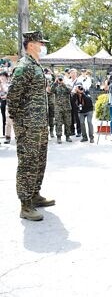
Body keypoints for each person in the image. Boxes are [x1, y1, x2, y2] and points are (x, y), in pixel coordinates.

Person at [7, 31, 55, 221]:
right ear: (31, 44)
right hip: (28, 126)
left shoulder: (36, 66)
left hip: (39, 125)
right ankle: (25, 205)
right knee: (28, 163)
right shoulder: (24, 66)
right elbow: (12, 97)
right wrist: (20, 122)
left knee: (39, 160)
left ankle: (34, 194)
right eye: (40, 43)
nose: (43, 47)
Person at [51, 75, 72, 144]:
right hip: (58, 108)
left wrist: (64, 84)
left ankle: (68, 136)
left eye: (61, 79)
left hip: (67, 107)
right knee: (58, 123)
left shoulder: (67, 85)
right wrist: (55, 82)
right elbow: (51, 91)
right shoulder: (55, 86)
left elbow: (69, 91)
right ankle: (59, 137)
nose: (60, 80)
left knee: (68, 123)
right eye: (59, 79)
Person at [44, 68, 55, 138]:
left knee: (51, 117)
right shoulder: (42, 81)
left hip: (51, 102)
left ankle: (51, 131)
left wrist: (51, 73)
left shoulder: (52, 82)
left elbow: (55, 79)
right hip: (44, 101)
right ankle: (45, 132)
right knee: (44, 117)